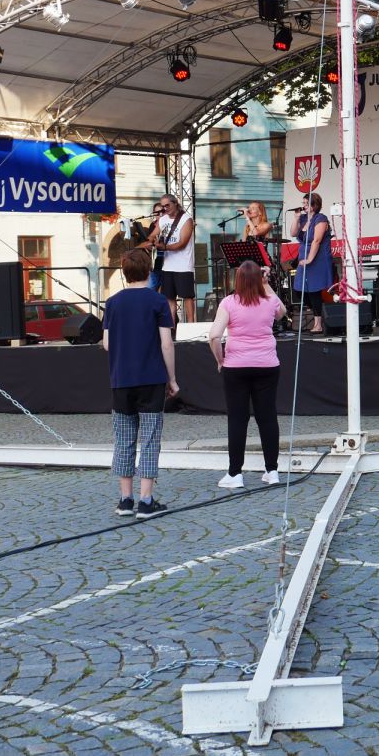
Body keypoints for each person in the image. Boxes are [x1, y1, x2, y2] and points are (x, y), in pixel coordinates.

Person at [101, 247, 177, 518]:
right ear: (149, 271)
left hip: (121, 379)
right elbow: (166, 344)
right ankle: (146, 500)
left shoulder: (112, 303)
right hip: (151, 378)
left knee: (123, 439)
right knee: (150, 439)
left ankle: (125, 500)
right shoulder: (158, 302)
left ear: (124, 272)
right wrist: (172, 378)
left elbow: (107, 344)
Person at [208, 260, 285, 489]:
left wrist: (220, 360)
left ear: (238, 280)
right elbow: (281, 314)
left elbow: (214, 336)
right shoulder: (269, 300)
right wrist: (266, 284)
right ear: (260, 279)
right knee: (267, 417)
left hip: (236, 366)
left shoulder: (229, 302)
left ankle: (235, 474)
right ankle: (272, 471)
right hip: (267, 365)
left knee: (238, 419)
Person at [145, 193, 196, 324]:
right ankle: (171, 327)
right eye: (163, 206)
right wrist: (151, 241)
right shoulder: (163, 219)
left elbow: (182, 243)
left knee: (188, 297)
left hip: (184, 266)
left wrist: (164, 247)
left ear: (175, 203)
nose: (165, 208)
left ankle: (191, 324)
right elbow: (153, 234)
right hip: (167, 266)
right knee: (169, 298)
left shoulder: (186, 219)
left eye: (167, 205)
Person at [291, 191, 333, 334]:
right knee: (299, 290)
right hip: (304, 257)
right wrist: (296, 218)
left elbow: (317, 240)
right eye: (303, 203)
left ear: (314, 205)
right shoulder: (303, 218)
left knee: (314, 290)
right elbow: (293, 233)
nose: (303, 206)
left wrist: (310, 259)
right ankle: (324, 313)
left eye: (306, 203)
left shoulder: (321, 218)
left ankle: (318, 324)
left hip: (317, 258)